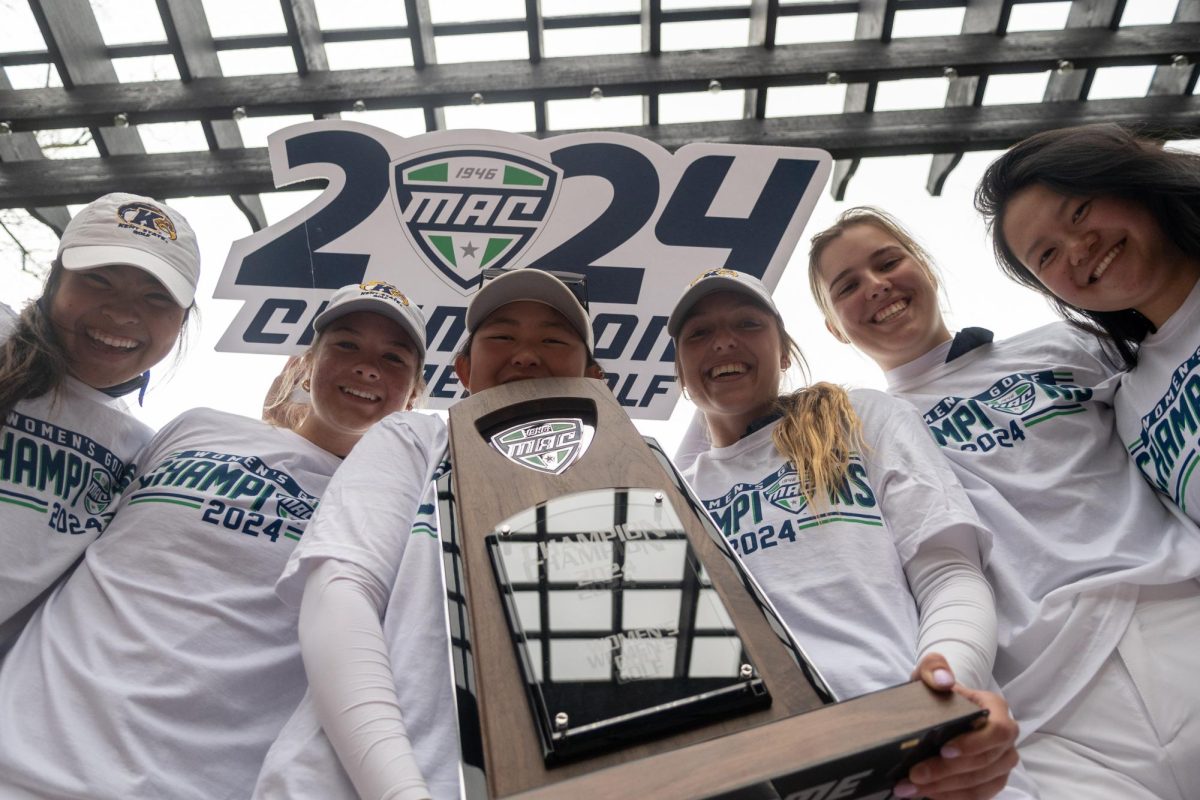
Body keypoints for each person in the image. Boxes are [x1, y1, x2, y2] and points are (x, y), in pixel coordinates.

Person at [808, 206, 1200, 800]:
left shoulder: (1069, 342)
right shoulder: (857, 438)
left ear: (926, 268)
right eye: (847, 287)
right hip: (1047, 708)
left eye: (888, 262)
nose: (876, 286)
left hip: (1177, 614)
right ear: (836, 327)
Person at [0, 280, 437, 800]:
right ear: (306, 362)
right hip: (18, 747)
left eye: (393, 358)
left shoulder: (404, 516)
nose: (368, 367)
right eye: (346, 345)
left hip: (191, 783)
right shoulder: (196, 427)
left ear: (414, 393)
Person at [669, 267, 1029, 800]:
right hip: (758, 770)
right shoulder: (672, 496)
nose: (723, 340)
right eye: (698, 333)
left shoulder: (855, 416)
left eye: (747, 323)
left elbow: (949, 572)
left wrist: (944, 694)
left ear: (785, 350)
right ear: (679, 367)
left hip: (919, 751)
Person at [253, 268, 603, 800]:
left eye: (553, 340)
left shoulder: (629, 468)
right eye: (502, 336)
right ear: (463, 368)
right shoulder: (417, 438)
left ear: (594, 375)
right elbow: (340, 589)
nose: (526, 355)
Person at [0, 192, 198, 652]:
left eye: (155, 297)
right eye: (99, 281)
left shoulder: (143, 454)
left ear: (182, 322)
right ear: (54, 281)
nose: (123, 313)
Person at [975, 123, 1200, 526]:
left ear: (1128, 180)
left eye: (1079, 211)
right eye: (1046, 255)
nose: (1078, 249)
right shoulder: (1130, 407)